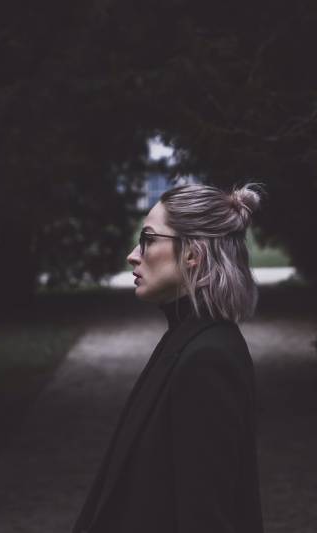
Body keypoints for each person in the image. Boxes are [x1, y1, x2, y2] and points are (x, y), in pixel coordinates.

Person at [72, 182, 266, 533]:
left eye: (148, 239)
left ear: (192, 254)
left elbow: (207, 518)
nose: (134, 254)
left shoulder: (207, 357)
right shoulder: (186, 339)